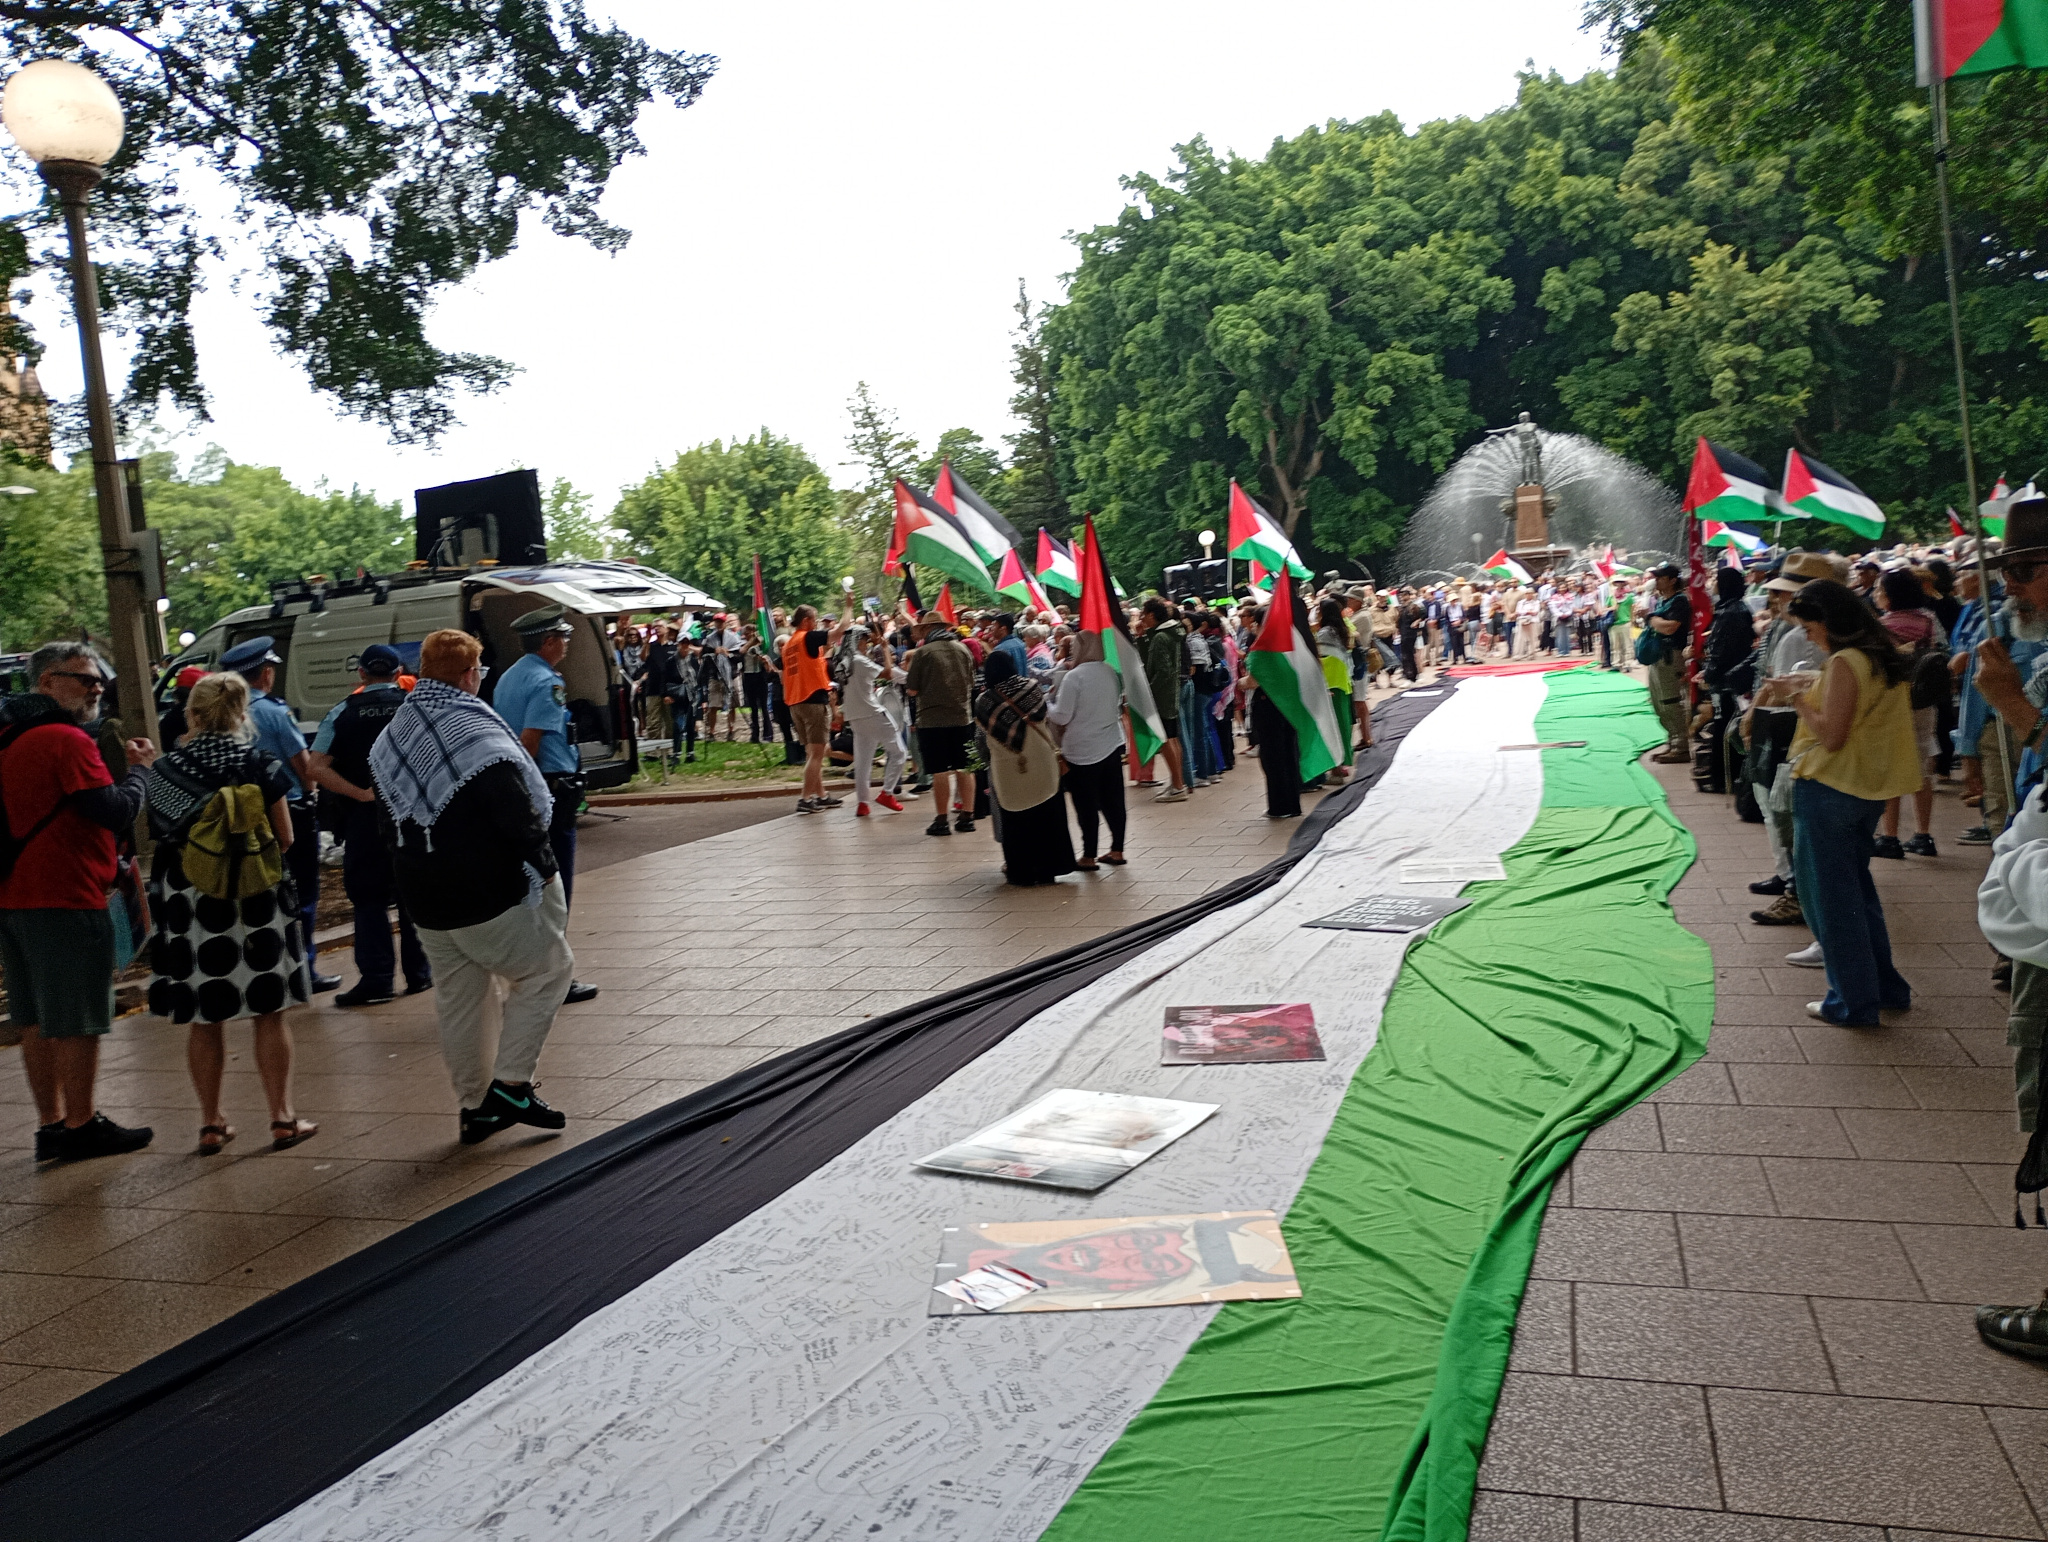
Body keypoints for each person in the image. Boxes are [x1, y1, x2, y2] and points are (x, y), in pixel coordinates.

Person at [373, 628, 575, 1144]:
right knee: (548, 970)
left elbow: (387, 819)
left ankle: (475, 1106)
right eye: (478, 672)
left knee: (461, 999)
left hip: (422, 895)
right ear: (469, 675)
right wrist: (547, 868)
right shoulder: (473, 732)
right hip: (483, 891)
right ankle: (511, 1085)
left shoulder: (392, 737)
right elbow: (515, 812)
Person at [144, 671, 318, 1154]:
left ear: (193, 715)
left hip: (194, 906)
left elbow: (162, 837)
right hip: (258, 900)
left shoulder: (167, 770)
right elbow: (285, 838)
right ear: (243, 715)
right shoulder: (260, 762)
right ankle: (282, 1117)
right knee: (269, 1012)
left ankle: (211, 1123)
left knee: (205, 1017)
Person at [0, 641, 157, 1162]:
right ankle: (83, 1123)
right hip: (67, 895)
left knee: (34, 1016)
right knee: (76, 1017)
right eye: (85, 679)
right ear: (47, 682)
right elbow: (111, 810)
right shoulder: (65, 740)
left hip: (13, 896)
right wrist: (139, 772)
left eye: (99, 681)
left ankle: (51, 1124)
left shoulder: (6, 737)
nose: (97, 688)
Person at [1757, 579, 1922, 1026]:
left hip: (1833, 788)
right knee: (1857, 895)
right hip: (1866, 789)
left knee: (1831, 902)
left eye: (1809, 629)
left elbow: (1831, 734)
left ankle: (1851, 1001)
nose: (1807, 637)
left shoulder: (1847, 661)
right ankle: (1883, 987)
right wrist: (1810, 683)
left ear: (1827, 622)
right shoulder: (1880, 654)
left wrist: (1794, 697)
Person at [307, 644, 431, 1007]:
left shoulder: (342, 713)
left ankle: (377, 980)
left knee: (368, 899)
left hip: (365, 821)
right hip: (411, 816)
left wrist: (360, 794)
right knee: (413, 895)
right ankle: (420, 973)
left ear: (361, 674)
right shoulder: (415, 708)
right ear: (398, 673)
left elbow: (316, 767)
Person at [493, 604, 598, 1005]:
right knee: (555, 885)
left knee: (531, 885)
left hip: (529, 790)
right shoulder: (545, 683)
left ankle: (531, 972)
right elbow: (531, 742)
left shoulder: (510, 677)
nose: (568, 644)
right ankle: (554, 977)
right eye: (565, 637)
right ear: (550, 641)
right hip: (549, 790)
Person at [223, 635, 340, 993]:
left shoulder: (224, 715)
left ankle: (262, 967)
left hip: (239, 813)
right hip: (288, 811)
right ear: (266, 674)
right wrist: (312, 796)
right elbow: (304, 768)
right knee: (301, 892)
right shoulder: (274, 713)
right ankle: (302, 968)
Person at [1744, 554, 1833, 927]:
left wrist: (1753, 715)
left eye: (1787, 594)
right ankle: (1795, 885)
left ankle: (1799, 893)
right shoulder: (1794, 631)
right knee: (1782, 814)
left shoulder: (1807, 636)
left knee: (1785, 813)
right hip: (1799, 737)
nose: (1778, 601)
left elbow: (1784, 686)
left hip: (1801, 739)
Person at [976, 644, 1077, 886]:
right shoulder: (1031, 688)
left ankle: (1021, 872)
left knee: (1017, 821)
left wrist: (987, 760)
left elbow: (981, 740)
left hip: (1007, 767)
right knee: (1047, 816)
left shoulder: (983, 702)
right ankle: (1050, 867)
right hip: (1042, 761)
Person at [1872, 566, 1946, 858]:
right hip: (1923, 700)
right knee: (1921, 769)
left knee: (1893, 768)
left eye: (1880, 590)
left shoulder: (1882, 626)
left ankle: (1890, 837)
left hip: (1893, 703)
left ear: (1889, 596)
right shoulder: (1927, 620)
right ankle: (1923, 835)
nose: (1877, 595)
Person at [1046, 630, 1128, 868]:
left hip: (1081, 750)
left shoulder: (1074, 677)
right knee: (1114, 801)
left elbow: (1062, 716)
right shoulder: (1111, 672)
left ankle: (1089, 855)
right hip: (1112, 744)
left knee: (1086, 805)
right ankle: (1117, 850)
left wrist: (1048, 702)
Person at [904, 611, 977, 836]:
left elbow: (912, 689)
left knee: (939, 770)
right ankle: (967, 816)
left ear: (926, 630)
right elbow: (972, 682)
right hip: (962, 717)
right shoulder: (963, 648)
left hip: (932, 720)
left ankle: (942, 819)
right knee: (965, 767)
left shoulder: (923, 653)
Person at [781, 600, 852, 815]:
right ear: (806, 621)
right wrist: (848, 606)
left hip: (795, 702)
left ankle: (821, 796)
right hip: (813, 700)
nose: (817, 622)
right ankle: (805, 798)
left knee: (812, 751)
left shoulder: (789, 644)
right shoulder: (808, 637)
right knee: (817, 754)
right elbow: (840, 630)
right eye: (815, 618)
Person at [840, 623, 907, 818]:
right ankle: (887, 793)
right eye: (865, 640)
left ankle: (863, 803)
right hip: (873, 712)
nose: (867, 644)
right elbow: (887, 673)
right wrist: (885, 649)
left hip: (854, 716)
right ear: (858, 640)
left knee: (863, 761)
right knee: (899, 753)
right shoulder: (860, 660)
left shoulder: (842, 660)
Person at [1139, 597, 1192, 801]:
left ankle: (1178, 786)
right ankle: (1178, 782)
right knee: (1172, 738)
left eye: (1144, 614)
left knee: (1165, 740)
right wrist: (1142, 637)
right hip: (1169, 695)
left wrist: (1149, 692)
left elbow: (1162, 670)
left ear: (1152, 615)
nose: (1142, 618)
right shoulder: (1167, 634)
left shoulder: (1161, 638)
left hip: (1162, 697)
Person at [1640, 563, 1694, 763]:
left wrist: (1650, 618)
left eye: (1661, 577)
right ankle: (1672, 741)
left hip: (1670, 657)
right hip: (1658, 657)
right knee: (1658, 702)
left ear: (1672, 580)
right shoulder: (1663, 601)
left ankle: (1681, 746)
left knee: (1670, 702)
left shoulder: (1679, 601)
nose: (1657, 581)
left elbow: (1670, 627)